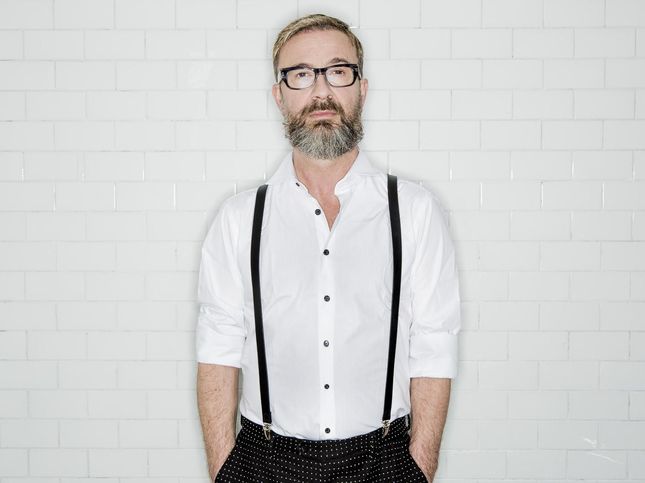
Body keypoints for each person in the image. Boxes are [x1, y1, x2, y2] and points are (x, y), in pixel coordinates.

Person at [195, 14, 461, 483]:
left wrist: (418, 466)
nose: (321, 91)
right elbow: (219, 346)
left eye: (338, 71)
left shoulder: (414, 211)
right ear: (279, 95)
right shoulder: (239, 219)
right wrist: (224, 469)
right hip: (262, 462)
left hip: (385, 462)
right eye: (301, 74)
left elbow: (434, 342)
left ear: (362, 88)